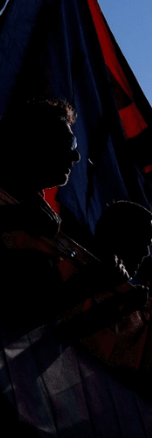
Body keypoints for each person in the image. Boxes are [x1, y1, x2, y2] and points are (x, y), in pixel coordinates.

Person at [0, 98, 81, 326]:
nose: (76, 156)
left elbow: (33, 311)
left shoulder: (39, 219)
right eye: (70, 143)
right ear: (33, 140)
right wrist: (15, 216)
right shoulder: (28, 215)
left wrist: (92, 283)